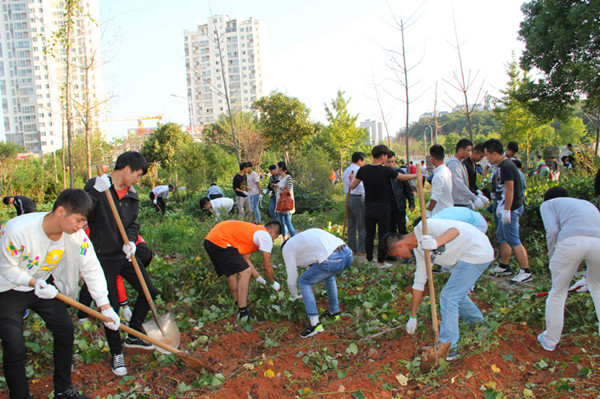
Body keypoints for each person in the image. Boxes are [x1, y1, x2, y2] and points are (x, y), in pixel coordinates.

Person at [0, 189, 118, 399]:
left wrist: (105, 306)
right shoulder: (17, 230)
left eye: (84, 222)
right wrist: (33, 282)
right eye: (79, 220)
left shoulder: (76, 236)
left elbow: (90, 267)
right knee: (15, 346)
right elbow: (6, 268)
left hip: (42, 287)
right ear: (61, 211)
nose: (81, 227)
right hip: (8, 289)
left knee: (65, 330)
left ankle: (63, 389)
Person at [84, 151, 157, 376]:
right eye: (138, 174)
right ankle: (116, 353)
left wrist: (132, 242)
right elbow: (83, 213)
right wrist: (94, 192)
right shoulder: (96, 187)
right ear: (126, 168)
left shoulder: (132, 194)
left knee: (150, 293)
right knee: (112, 310)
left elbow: (132, 224)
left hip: (125, 255)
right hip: (103, 258)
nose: (138, 179)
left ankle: (133, 333)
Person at [381, 218, 494, 360]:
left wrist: (436, 243)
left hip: (477, 251)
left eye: (397, 255)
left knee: (449, 296)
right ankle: (478, 323)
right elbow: (419, 283)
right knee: (455, 294)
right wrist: (413, 316)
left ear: (399, 245)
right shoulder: (420, 252)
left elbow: (454, 231)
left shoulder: (425, 227)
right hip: (465, 257)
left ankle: (449, 347)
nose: (400, 258)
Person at [537, 186, 600, 351]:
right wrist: (587, 276)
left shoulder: (548, 204)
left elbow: (552, 231)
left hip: (570, 242)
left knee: (558, 292)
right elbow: (590, 240)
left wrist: (553, 255)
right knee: (598, 289)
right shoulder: (587, 204)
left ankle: (550, 341)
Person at [348, 145, 416, 266]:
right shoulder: (386, 171)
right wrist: (416, 175)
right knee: (383, 234)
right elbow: (403, 177)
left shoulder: (363, 170)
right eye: (386, 156)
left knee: (370, 233)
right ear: (383, 156)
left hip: (369, 206)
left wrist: (352, 178)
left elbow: (352, 186)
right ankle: (380, 260)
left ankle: (369, 259)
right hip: (383, 207)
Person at [282, 228, 353, 338]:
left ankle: (315, 324)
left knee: (303, 281)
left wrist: (294, 295)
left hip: (332, 259)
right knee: (328, 275)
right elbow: (311, 268)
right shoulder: (303, 240)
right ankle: (334, 312)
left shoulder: (287, 249)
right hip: (348, 253)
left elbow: (292, 278)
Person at [204, 220, 282, 320]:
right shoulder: (265, 236)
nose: (274, 240)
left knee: (232, 273)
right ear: (273, 231)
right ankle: (243, 312)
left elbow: (246, 260)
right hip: (220, 241)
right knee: (245, 272)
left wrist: (259, 278)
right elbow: (267, 267)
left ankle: (237, 303)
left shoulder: (252, 233)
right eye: (275, 238)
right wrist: (272, 283)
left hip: (211, 241)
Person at [484, 139, 531, 284]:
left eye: (487, 155)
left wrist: (507, 210)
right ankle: (504, 265)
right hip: (503, 206)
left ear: (494, 153)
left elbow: (510, 188)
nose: (487, 158)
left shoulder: (507, 165)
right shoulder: (500, 166)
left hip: (511, 208)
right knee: (503, 236)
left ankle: (526, 271)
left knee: (513, 239)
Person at [446, 139, 486, 210]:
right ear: (461, 150)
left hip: (463, 201)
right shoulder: (454, 165)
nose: (469, 153)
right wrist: (474, 198)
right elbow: (459, 184)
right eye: (468, 151)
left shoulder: (461, 164)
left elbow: (466, 184)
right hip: (458, 203)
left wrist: (475, 194)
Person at [342, 152, 366, 254]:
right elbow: (361, 187)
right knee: (362, 224)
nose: (364, 163)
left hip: (348, 198)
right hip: (357, 198)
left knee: (351, 225)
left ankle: (352, 248)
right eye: (364, 160)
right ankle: (362, 249)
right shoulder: (358, 171)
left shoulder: (347, 170)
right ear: (360, 160)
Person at [386, 151, 414, 235]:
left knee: (402, 228)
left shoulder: (400, 172)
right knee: (390, 230)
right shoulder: (381, 173)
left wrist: (411, 203)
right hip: (387, 206)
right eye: (388, 162)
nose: (391, 164)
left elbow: (408, 189)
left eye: (392, 161)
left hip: (399, 205)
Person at [427, 144, 453, 215]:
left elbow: (434, 198)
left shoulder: (439, 175)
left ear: (432, 157)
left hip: (440, 212)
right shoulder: (447, 170)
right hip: (448, 209)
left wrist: (428, 212)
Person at [274, 161, 296, 238]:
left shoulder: (288, 178)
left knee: (288, 222)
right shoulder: (278, 178)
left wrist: (278, 186)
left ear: (281, 168)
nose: (276, 169)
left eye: (277, 168)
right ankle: (284, 240)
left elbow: (287, 189)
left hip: (287, 203)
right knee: (282, 223)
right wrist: (274, 188)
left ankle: (294, 238)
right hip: (279, 202)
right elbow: (277, 191)